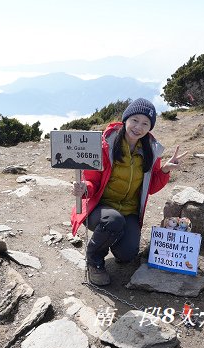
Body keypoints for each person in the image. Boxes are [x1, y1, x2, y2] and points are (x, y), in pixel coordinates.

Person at [70, 98, 188, 286]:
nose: (138, 127)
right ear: (125, 119)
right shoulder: (105, 146)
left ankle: (111, 237)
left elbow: (151, 188)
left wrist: (164, 170)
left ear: (150, 127)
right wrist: (84, 188)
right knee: (113, 221)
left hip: (129, 211)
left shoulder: (150, 150)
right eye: (135, 120)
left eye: (145, 123)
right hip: (100, 209)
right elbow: (92, 181)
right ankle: (94, 259)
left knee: (127, 255)